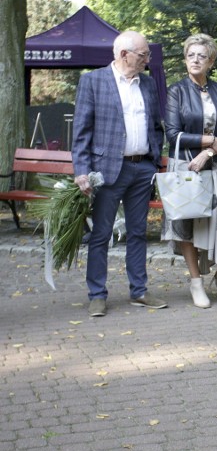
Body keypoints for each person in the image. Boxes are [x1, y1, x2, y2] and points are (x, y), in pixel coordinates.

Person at [72, 30, 167, 317]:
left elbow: (155, 126)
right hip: (108, 170)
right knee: (101, 234)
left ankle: (139, 291)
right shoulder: (93, 81)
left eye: (147, 55)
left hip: (141, 169)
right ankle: (97, 294)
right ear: (124, 54)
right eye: (143, 55)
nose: (147, 60)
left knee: (138, 233)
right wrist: (81, 171)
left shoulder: (147, 84)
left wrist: (154, 161)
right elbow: (81, 131)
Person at [162, 33, 217, 308]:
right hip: (188, 168)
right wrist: (209, 142)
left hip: (216, 166)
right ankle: (196, 282)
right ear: (185, 60)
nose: (195, 60)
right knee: (188, 222)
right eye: (190, 55)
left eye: (201, 56)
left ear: (211, 61)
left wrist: (209, 152)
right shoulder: (177, 91)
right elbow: (173, 134)